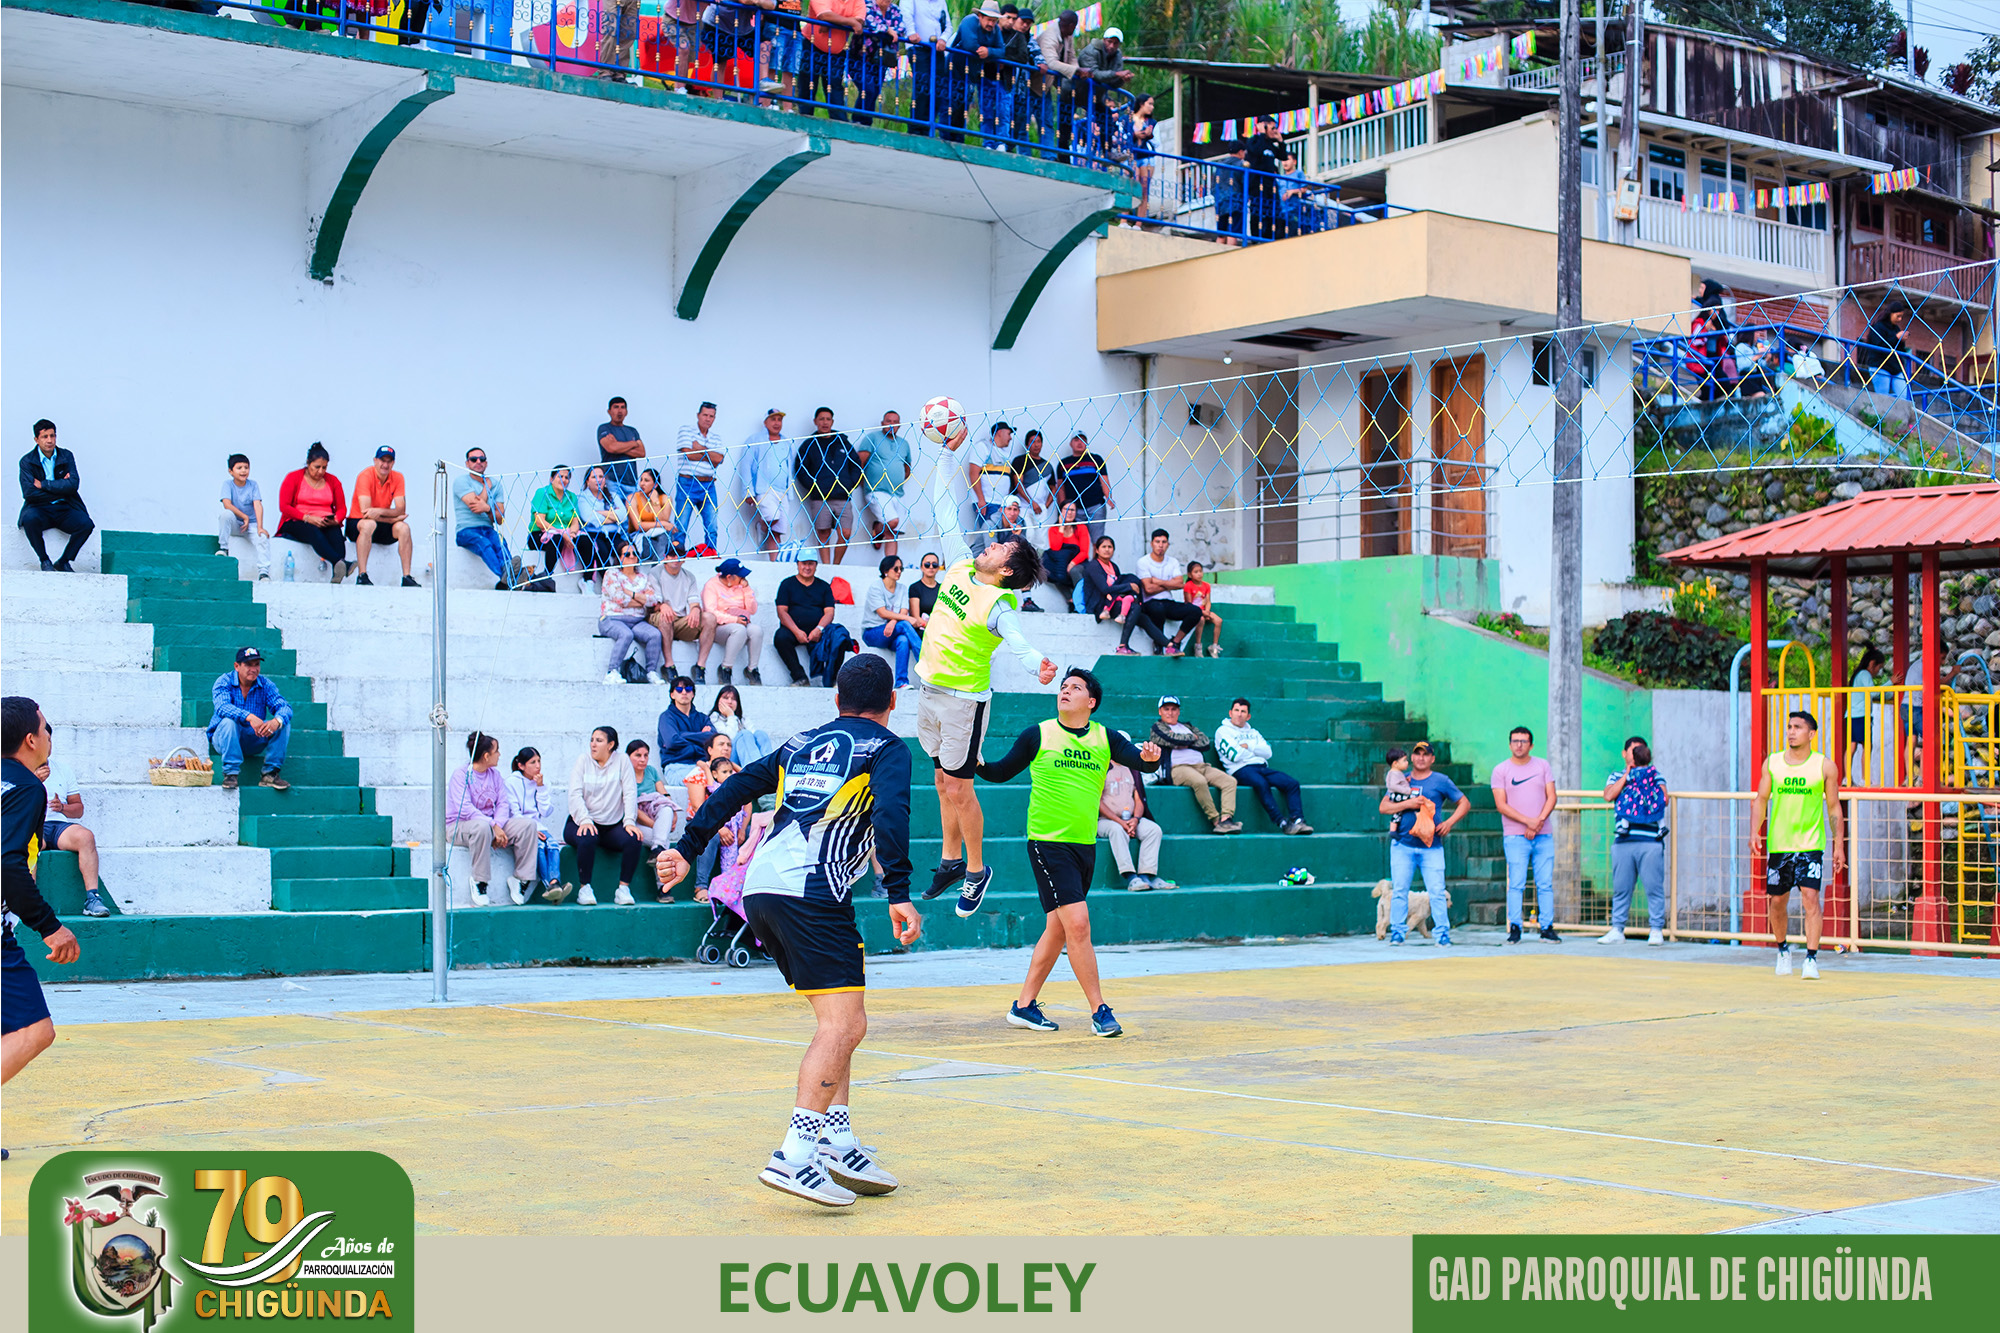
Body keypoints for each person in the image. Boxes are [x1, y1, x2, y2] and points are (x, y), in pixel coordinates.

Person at [656, 654, 917, 1207]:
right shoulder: (886, 748)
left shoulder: (800, 743)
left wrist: (687, 846)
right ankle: (795, 1156)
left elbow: (735, 789)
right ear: (892, 701)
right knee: (843, 1026)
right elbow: (893, 815)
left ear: (837, 699)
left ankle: (836, 1142)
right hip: (812, 889)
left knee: (844, 1020)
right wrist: (897, 891)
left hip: (764, 885)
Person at [978, 668, 1159, 1037]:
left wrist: (1152, 757)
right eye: (1063, 686)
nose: (1065, 691)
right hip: (1048, 843)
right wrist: (973, 761)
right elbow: (1000, 771)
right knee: (1077, 924)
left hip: (1084, 846)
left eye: (1075, 687)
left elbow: (1141, 761)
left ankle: (1024, 1006)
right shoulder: (1038, 734)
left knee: (1058, 929)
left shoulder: (1105, 737)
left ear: (1091, 702)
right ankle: (1099, 1010)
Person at [913, 536, 1057, 917]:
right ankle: (950, 862)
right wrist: (942, 490)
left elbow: (1019, 643)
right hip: (929, 690)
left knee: (959, 789)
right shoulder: (961, 565)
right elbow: (946, 519)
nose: (992, 544)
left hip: (963, 703)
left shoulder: (999, 606)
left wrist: (1038, 665)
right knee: (941, 781)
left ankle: (976, 871)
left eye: (1002, 547)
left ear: (1006, 569)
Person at [3, 697, 81, 1105]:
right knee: (34, 1031)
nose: (50, 736)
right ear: (31, 740)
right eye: (46, 729)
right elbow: (7, 863)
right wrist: (50, 927)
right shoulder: (26, 788)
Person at [1752, 711, 1845, 981]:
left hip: (1810, 844)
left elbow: (1834, 807)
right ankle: (1783, 950)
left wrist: (1838, 845)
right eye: (1789, 727)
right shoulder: (1773, 763)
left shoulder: (1824, 766)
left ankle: (1811, 958)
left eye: (1798, 727)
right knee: (1777, 901)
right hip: (1780, 844)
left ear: (1811, 734)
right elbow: (1761, 799)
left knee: (1810, 897)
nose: (1791, 732)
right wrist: (1754, 831)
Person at [1380, 740, 1468, 946]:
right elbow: (1384, 807)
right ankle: (1398, 932)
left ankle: (1442, 934)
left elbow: (1464, 803)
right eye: (1417, 754)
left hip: (1432, 847)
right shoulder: (1401, 778)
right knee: (1400, 890)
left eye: (1426, 754)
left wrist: (1449, 822)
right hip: (1402, 845)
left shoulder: (1441, 780)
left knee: (1437, 892)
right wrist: (1408, 803)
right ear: (1411, 757)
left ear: (1432, 759)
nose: (1421, 758)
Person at [448, 731, 543, 906]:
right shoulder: (461, 775)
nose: (499, 754)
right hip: (459, 825)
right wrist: (493, 826)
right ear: (486, 756)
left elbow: (503, 804)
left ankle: (520, 880)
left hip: (490, 825)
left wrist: (498, 826)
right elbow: (466, 809)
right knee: (482, 827)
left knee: (528, 826)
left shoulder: (495, 775)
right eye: (496, 751)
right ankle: (480, 882)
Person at [1491, 724, 1558, 944]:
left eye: (1523, 741)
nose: (1519, 745)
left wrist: (1538, 822)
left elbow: (1552, 796)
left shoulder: (1542, 765)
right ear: (1510, 744)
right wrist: (1529, 822)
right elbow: (1501, 805)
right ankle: (1515, 928)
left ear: (1531, 745)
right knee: (1516, 883)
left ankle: (1547, 928)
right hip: (1515, 837)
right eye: (1515, 741)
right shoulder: (1501, 770)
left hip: (1543, 835)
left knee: (1545, 883)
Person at [1600, 736, 1667, 946]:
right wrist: (1627, 776)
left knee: (1654, 888)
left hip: (1650, 842)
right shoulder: (1616, 775)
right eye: (1633, 750)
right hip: (1623, 842)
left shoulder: (1655, 774)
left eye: (1640, 750)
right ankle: (1617, 929)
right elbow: (1609, 795)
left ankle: (1656, 930)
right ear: (1625, 753)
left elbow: (1664, 798)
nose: (1636, 754)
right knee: (1621, 888)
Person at [567, 724, 643, 906]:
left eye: (599, 741)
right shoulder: (583, 760)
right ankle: (584, 889)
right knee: (587, 836)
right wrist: (585, 819)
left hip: (612, 825)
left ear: (610, 745)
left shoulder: (622, 760)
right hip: (581, 822)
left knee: (634, 839)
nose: (593, 744)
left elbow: (630, 793)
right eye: (592, 740)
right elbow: (574, 794)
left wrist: (629, 821)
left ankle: (623, 889)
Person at [1216, 698, 1311, 834]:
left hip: (1261, 768)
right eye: (1236, 710)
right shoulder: (1223, 731)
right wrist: (1255, 750)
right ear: (1230, 713)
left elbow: (1268, 752)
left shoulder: (1254, 733)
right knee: (1261, 783)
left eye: (1243, 712)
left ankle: (1298, 820)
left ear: (1248, 716)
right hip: (1240, 770)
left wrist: (1248, 746)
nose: (1239, 714)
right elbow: (1235, 756)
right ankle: (1282, 823)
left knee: (1292, 783)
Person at [1150, 695, 1239, 833]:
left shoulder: (1188, 726)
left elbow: (1205, 742)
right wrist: (1192, 739)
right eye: (1166, 709)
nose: (1170, 713)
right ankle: (1216, 820)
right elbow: (1170, 739)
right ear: (1160, 711)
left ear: (1178, 711)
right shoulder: (1157, 728)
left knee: (1230, 781)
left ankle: (1226, 819)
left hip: (1202, 766)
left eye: (1174, 709)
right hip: (1177, 768)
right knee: (1199, 781)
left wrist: (1184, 741)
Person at [209, 647, 291, 793]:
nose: (253, 669)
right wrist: (249, 717)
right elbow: (222, 707)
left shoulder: (265, 684)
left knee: (283, 723)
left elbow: (284, 706)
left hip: (253, 738)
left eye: (256, 664)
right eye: (248, 665)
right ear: (237, 666)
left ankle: (270, 774)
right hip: (224, 739)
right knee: (229, 722)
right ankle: (230, 774)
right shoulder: (224, 681)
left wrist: (276, 721)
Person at [17, 420, 94, 573]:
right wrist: (61, 487)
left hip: (64, 508)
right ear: (36, 439)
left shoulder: (66, 456)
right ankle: (44, 560)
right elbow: (29, 493)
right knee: (30, 519)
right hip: (39, 508)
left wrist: (43, 485)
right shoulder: (27, 461)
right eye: (44, 436)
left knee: (86, 525)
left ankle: (63, 561)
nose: (49, 440)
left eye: (52, 436)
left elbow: (73, 485)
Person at [1099, 733, 1171, 891]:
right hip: (1105, 821)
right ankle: (1131, 877)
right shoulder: (1101, 767)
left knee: (1153, 830)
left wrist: (1136, 819)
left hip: (1131, 819)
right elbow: (1097, 802)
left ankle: (1146, 876)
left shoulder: (1132, 769)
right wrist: (1120, 822)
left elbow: (1139, 800)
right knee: (1117, 830)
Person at [37, 758, 108, 918]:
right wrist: (34, 781)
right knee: (28, 840)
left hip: (59, 826)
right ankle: (26, 902)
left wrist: (62, 807)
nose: (47, 747)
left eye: (49, 744)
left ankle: (93, 899)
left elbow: (78, 809)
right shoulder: (15, 767)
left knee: (86, 837)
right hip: (33, 823)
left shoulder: (62, 769)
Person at [794, 407, 864, 564]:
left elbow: (856, 464)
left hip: (843, 497)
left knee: (845, 533)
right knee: (823, 533)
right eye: (821, 419)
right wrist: (815, 487)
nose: (825, 422)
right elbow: (801, 468)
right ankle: (826, 567)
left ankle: (836, 565)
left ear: (832, 421)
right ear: (815, 421)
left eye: (828, 419)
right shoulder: (809, 445)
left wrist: (849, 484)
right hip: (820, 499)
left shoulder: (843, 442)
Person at [505, 746, 571, 903]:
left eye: (539, 761)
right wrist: (529, 830)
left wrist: (540, 788)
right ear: (521, 766)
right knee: (539, 846)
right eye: (533, 762)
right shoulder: (511, 783)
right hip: (519, 826)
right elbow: (514, 812)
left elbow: (546, 811)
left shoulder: (543, 782)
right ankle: (552, 887)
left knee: (553, 845)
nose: (538, 766)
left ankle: (554, 883)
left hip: (538, 826)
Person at [346, 445, 417, 587]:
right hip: (358, 523)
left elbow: (401, 509)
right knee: (369, 524)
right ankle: (362, 575)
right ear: (375, 460)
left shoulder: (398, 477)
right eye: (382, 460)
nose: (385, 464)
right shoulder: (365, 476)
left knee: (404, 528)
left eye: (389, 461)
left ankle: (407, 576)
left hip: (381, 524)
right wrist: (391, 519)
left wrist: (379, 512)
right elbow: (366, 513)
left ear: (393, 463)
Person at [277, 442, 349, 576]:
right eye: (317, 467)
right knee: (313, 531)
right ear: (308, 463)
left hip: (325, 521)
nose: (320, 471)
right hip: (298, 521)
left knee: (336, 534)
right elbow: (284, 506)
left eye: (324, 468)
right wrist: (308, 518)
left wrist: (336, 520)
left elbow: (342, 508)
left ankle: (338, 572)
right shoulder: (293, 478)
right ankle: (340, 563)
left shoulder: (333, 481)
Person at [599, 540, 664, 685]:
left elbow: (653, 600)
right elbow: (620, 598)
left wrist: (630, 593)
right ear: (619, 557)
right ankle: (612, 672)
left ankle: (651, 672)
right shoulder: (612, 574)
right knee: (626, 634)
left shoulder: (643, 577)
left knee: (654, 635)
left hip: (637, 620)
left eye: (634, 554)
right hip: (612, 619)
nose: (632, 556)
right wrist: (642, 600)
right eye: (627, 554)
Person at [648, 545, 716, 682]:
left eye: (679, 555)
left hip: (680, 620)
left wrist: (695, 609)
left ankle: (700, 667)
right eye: (672, 555)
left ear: (684, 559)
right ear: (665, 557)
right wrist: (662, 606)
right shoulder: (655, 573)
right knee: (665, 617)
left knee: (710, 618)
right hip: (659, 616)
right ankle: (669, 665)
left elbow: (694, 601)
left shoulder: (689, 576)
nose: (676, 558)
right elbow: (652, 603)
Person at [1133, 529, 1205, 656]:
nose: (1160, 545)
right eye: (1157, 542)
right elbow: (1148, 589)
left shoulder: (1173, 562)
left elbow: (1180, 584)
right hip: (1150, 603)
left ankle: (1175, 642)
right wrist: (1169, 584)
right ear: (1151, 543)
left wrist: (1156, 581)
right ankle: (1159, 642)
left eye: (1164, 542)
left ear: (1168, 544)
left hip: (1168, 602)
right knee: (1158, 608)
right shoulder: (1143, 562)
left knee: (1196, 611)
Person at [774, 556, 839, 687]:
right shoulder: (787, 584)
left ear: (816, 565)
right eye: (804, 564)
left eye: (811, 564)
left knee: (839, 637)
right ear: (798, 564)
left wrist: (819, 629)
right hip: (793, 630)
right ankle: (800, 677)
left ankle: (832, 678)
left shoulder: (824, 586)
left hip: (819, 631)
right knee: (780, 637)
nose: (807, 567)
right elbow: (782, 612)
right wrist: (797, 632)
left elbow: (829, 613)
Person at [855, 410, 912, 558]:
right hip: (876, 490)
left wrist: (896, 478)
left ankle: (891, 565)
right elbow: (859, 462)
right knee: (892, 522)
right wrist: (860, 483)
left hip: (898, 493)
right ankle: (878, 528)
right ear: (882, 423)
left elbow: (907, 468)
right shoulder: (872, 438)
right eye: (888, 421)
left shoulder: (904, 444)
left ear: (899, 425)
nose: (891, 425)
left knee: (894, 532)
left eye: (895, 422)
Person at [453, 446, 512, 588]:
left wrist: (487, 508)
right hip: (466, 531)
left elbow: (500, 519)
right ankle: (509, 578)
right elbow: (475, 507)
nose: (478, 462)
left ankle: (509, 577)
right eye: (474, 459)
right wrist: (486, 487)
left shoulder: (497, 485)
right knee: (484, 543)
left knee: (500, 543)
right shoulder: (461, 481)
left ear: (486, 462)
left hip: (488, 529)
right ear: (467, 463)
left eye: (482, 459)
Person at [862, 555, 924, 687]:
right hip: (873, 632)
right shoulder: (876, 587)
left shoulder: (902, 588)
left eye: (901, 568)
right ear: (885, 570)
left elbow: (903, 611)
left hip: (892, 631)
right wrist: (906, 619)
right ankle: (925, 662)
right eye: (896, 569)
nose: (899, 571)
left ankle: (901, 682)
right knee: (904, 624)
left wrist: (893, 622)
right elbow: (882, 612)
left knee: (903, 640)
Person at [702, 557, 763, 685]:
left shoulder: (741, 586)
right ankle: (726, 668)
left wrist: (747, 590)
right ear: (729, 577)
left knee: (756, 631)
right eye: (740, 576)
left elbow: (752, 610)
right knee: (739, 630)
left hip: (741, 622)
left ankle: (752, 669)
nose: (743, 579)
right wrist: (734, 619)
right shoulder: (711, 586)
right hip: (719, 627)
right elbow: (711, 611)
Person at [675, 401, 725, 555]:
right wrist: (709, 455)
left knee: (712, 525)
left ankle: (710, 554)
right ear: (698, 415)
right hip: (687, 482)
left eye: (711, 416)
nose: (708, 419)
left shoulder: (716, 437)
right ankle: (676, 556)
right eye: (705, 415)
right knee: (681, 524)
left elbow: (719, 459)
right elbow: (688, 454)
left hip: (708, 484)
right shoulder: (686, 430)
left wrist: (699, 449)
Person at [741, 407, 792, 555]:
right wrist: (748, 492)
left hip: (783, 491)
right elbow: (746, 466)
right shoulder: (755, 440)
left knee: (778, 531)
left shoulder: (787, 442)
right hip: (764, 490)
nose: (776, 423)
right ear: (765, 422)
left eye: (779, 420)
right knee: (772, 517)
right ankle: (763, 527)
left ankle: (774, 563)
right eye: (773, 419)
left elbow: (791, 466)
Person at [1034, 8, 1081, 162]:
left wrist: (1077, 70)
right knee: (1021, 120)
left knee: (1047, 121)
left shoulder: (1067, 36)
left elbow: (1071, 57)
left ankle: (1049, 156)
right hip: (1032, 84)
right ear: (1070, 25)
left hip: (1045, 86)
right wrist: (1077, 71)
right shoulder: (1050, 36)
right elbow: (1051, 63)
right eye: (1074, 27)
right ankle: (1019, 151)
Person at [1074, 24, 1130, 153]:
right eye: (1109, 42)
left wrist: (1122, 79)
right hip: (1076, 91)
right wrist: (1117, 74)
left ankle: (1108, 152)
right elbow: (1094, 74)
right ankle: (1061, 154)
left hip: (1095, 96)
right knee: (1065, 121)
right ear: (1104, 40)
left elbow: (1113, 82)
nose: (1112, 46)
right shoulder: (1091, 51)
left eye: (1115, 43)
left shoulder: (1117, 55)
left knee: (1106, 118)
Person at [220, 453, 274, 581]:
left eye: (246, 467)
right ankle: (223, 548)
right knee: (225, 515)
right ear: (230, 471)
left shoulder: (253, 485)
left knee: (262, 538)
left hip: (251, 525)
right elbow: (227, 504)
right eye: (239, 468)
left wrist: (260, 527)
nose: (243, 471)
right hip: (236, 524)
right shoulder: (227, 485)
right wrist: (244, 516)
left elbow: (258, 505)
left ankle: (263, 572)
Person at [851, 0, 906, 126]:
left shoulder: (895, 10)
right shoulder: (867, 5)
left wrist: (885, 30)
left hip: (881, 61)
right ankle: (857, 120)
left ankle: (866, 123)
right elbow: (869, 23)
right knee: (868, 89)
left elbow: (901, 28)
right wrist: (888, 30)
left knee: (875, 91)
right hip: (859, 58)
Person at [627, 738, 682, 863]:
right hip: (635, 822)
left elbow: (665, 795)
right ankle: (662, 875)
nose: (643, 759)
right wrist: (659, 826)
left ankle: (657, 850)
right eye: (638, 755)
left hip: (655, 813)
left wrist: (673, 815)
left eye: (646, 755)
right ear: (628, 757)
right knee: (663, 842)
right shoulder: (625, 776)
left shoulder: (651, 771)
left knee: (667, 808)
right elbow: (633, 809)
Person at [657, 675, 720, 782]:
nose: (684, 692)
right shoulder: (666, 717)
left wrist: (681, 734)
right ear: (672, 695)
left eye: (688, 689)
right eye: (679, 689)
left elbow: (713, 739)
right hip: (677, 765)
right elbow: (671, 741)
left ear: (693, 694)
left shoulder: (702, 718)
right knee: (701, 782)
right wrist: (701, 736)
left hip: (703, 764)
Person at [1077, 535, 1145, 634]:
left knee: (1143, 617)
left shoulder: (1114, 567)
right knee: (1134, 608)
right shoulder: (1093, 566)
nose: (1107, 550)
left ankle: (1166, 642)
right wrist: (1129, 586)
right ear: (1097, 550)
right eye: (1103, 547)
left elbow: (1117, 586)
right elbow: (1104, 589)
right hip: (1098, 605)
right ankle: (1123, 643)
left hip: (1112, 601)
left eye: (1110, 547)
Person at [1054, 431, 1112, 544]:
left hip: (1095, 506)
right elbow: (1060, 487)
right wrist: (1063, 507)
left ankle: (1096, 557)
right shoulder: (1063, 463)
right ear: (1071, 444)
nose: (1080, 443)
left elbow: (1104, 480)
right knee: (1076, 542)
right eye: (1076, 440)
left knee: (1098, 541)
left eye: (1083, 440)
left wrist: (1109, 497)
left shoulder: (1096, 459)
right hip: (1074, 510)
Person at [967, 421, 1016, 549]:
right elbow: (973, 473)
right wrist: (981, 500)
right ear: (999, 432)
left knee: (1000, 539)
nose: (1010, 438)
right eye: (1009, 433)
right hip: (988, 503)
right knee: (989, 539)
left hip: (1002, 505)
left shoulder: (1006, 453)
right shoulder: (982, 447)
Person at [576, 465, 629, 581]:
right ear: (587, 481)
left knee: (627, 551)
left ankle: (627, 581)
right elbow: (590, 518)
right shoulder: (582, 497)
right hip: (594, 535)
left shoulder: (613, 495)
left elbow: (623, 516)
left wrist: (600, 513)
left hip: (614, 535)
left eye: (601, 476)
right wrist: (613, 516)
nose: (598, 480)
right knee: (602, 553)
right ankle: (609, 583)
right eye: (594, 477)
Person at [530, 466, 584, 577]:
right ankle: (547, 575)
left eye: (567, 477)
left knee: (585, 540)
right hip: (541, 535)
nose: (564, 480)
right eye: (560, 476)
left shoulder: (572, 497)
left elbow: (575, 521)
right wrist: (563, 534)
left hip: (567, 533)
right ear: (551, 479)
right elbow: (540, 521)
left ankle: (588, 580)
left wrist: (572, 534)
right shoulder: (542, 493)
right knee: (557, 539)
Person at [709, 684, 775, 766]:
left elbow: (753, 737)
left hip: (745, 758)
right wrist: (730, 716)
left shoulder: (743, 719)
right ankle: (755, 769)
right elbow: (729, 738)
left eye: (733, 699)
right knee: (744, 734)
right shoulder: (714, 718)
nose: (730, 702)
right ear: (718, 701)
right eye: (726, 698)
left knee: (760, 734)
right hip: (726, 759)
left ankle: (769, 767)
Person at [1846, 647, 1887, 779]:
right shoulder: (1865, 674)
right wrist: (1890, 683)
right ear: (1872, 663)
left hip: (1851, 715)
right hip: (1861, 715)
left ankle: (1847, 778)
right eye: (1879, 668)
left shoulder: (1858, 675)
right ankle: (1865, 779)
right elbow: (1873, 692)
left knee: (1852, 746)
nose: (1879, 671)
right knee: (1867, 746)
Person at [625, 467, 678, 564]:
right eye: (641, 480)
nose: (642, 483)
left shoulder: (665, 498)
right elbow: (638, 526)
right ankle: (660, 565)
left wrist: (655, 501)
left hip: (660, 537)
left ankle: (657, 566)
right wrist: (663, 524)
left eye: (646, 480)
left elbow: (663, 520)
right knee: (661, 541)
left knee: (663, 536)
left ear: (656, 484)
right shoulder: (632, 498)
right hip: (640, 538)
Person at [1243, 114, 1281, 240]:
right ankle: (1255, 238)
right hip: (1256, 183)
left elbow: (1283, 156)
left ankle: (1269, 237)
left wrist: (1281, 142)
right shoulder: (1253, 140)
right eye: (1272, 128)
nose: (1274, 131)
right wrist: (1261, 135)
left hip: (1270, 184)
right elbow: (1257, 151)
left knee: (1273, 211)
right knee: (1257, 211)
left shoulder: (1271, 145)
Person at [597, 395, 647, 490]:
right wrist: (633, 443)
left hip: (632, 482)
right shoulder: (604, 428)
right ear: (609, 411)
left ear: (626, 412)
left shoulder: (632, 431)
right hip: (612, 481)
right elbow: (611, 448)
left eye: (622, 407)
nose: (619, 411)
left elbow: (641, 453)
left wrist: (617, 445)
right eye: (616, 407)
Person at [1042, 501, 1089, 596]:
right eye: (1066, 509)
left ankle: (1082, 597)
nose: (1069, 512)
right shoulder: (1053, 529)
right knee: (1053, 570)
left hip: (1078, 562)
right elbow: (1055, 548)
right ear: (1060, 511)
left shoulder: (1081, 528)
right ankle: (1069, 598)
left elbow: (1084, 552)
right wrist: (1061, 527)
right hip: (1061, 563)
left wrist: (1072, 564)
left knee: (1074, 571)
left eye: (1072, 510)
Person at [1863, 307, 1911, 400]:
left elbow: (1900, 350)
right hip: (1880, 366)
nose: (1900, 319)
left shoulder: (1896, 328)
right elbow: (1879, 346)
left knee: (1905, 397)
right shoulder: (1878, 327)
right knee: (1883, 397)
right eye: (1898, 316)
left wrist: (1901, 340)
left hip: (1895, 368)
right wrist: (1896, 337)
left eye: (1901, 317)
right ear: (1891, 314)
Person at [1011, 428, 1055, 520]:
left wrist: (1045, 506)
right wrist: (1031, 502)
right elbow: (1018, 484)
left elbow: (1053, 488)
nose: (1036, 445)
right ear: (1027, 445)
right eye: (1032, 441)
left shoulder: (1047, 466)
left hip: (1040, 509)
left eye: (1038, 441)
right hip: (1022, 507)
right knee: (1025, 530)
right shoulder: (1020, 461)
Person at [1183, 559, 1223, 656]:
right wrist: (1202, 613)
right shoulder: (1188, 586)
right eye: (1196, 572)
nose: (1199, 574)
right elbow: (1189, 604)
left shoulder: (1206, 585)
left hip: (1205, 611)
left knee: (1219, 621)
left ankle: (1214, 646)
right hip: (1193, 611)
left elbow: (1208, 601)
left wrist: (1207, 611)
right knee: (1201, 620)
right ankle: (1198, 646)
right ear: (1190, 575)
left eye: (1200, 571)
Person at [1128, 94, 1157, 217]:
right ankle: (1125, 220)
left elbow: (1157, 143)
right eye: (1149, 104)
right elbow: (1122, 137)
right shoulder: (1128, 119)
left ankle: (1139, 222)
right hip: (1131, 157)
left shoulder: (1152, 123)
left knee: (1144, 190)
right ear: (1141, 104)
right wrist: (1134, 135)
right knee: (1130, 187)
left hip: (1146, 158)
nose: (1152, 107)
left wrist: (1149, 135)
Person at [908, 551, 943, 637]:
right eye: (927, 564)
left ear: (938, 568)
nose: (931, 567)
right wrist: (933, 628)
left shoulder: (942, 588)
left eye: (934, 565)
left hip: (941, 628)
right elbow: (916, 617)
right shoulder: (915, 588)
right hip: (922, 629)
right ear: (921, 567)